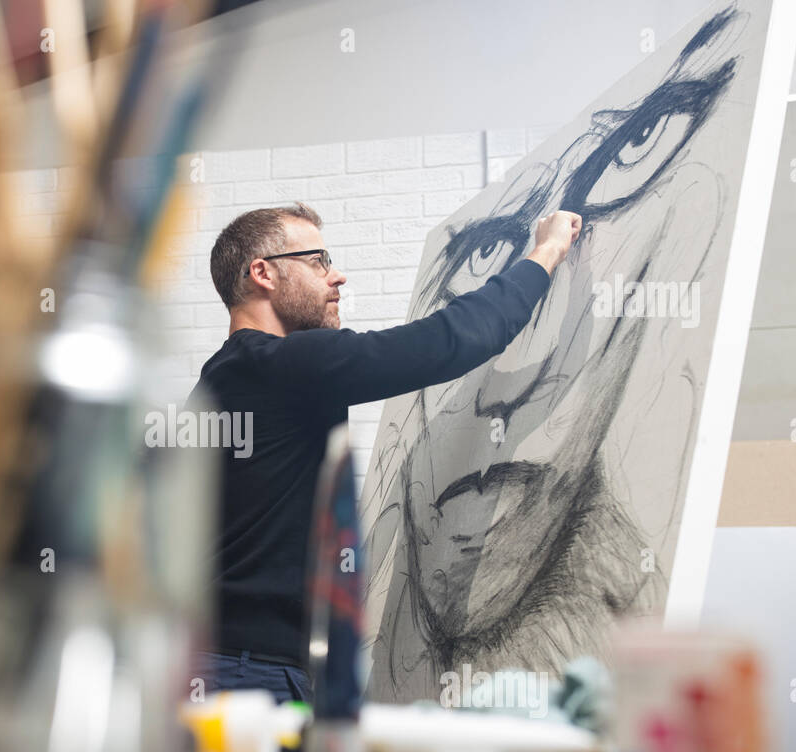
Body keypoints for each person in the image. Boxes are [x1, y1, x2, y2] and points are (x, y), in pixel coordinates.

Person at [186, 201, 580, 704]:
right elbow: (450, 340)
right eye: (318, 261)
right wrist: (545, 253)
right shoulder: (278, 365)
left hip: (234, 665)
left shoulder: (225, 376)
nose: (338, 276)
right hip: (249, 675)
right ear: (262, 273)